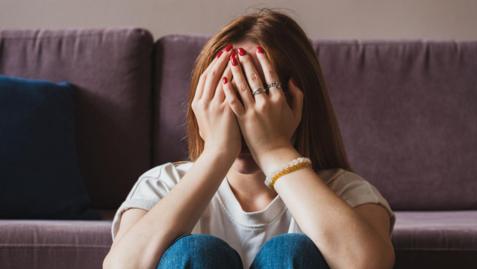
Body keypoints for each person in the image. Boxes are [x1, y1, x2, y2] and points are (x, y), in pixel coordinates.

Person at [103, 8, 396, 269]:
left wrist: (273, 150)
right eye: (227, 95)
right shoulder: (163, 185)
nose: (243, 118)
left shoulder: (345, 192)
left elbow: (365, 263)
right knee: (195, 252)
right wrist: (216, 154)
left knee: (289, 253)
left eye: (259, 96)